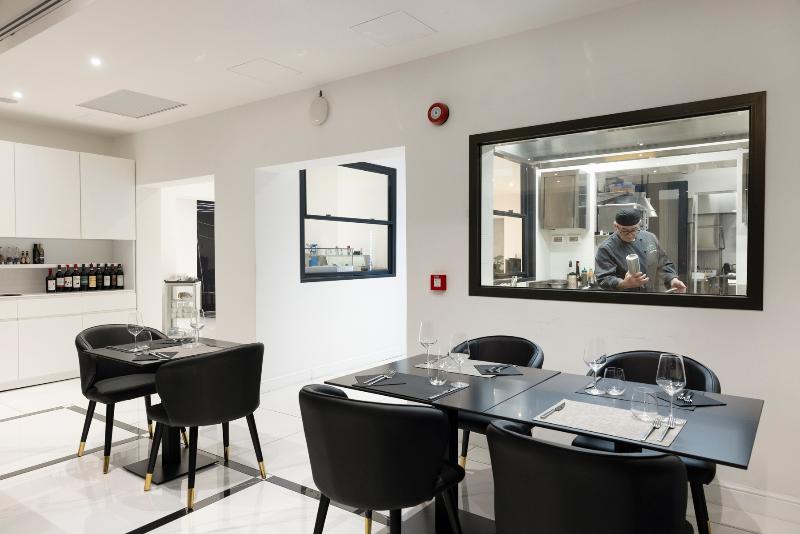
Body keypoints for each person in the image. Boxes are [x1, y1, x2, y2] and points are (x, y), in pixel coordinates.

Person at [595, 208, 687, 293]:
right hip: (623, 300)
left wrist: (672, 279)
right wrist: (624, 283)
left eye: (634, 230)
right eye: (625, 231)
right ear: (616, 227)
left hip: (650, 295)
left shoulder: (650, 238)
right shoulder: (606, 249)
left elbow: (663, 263)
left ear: (639, 224)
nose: (630, 235)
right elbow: (604, 279)